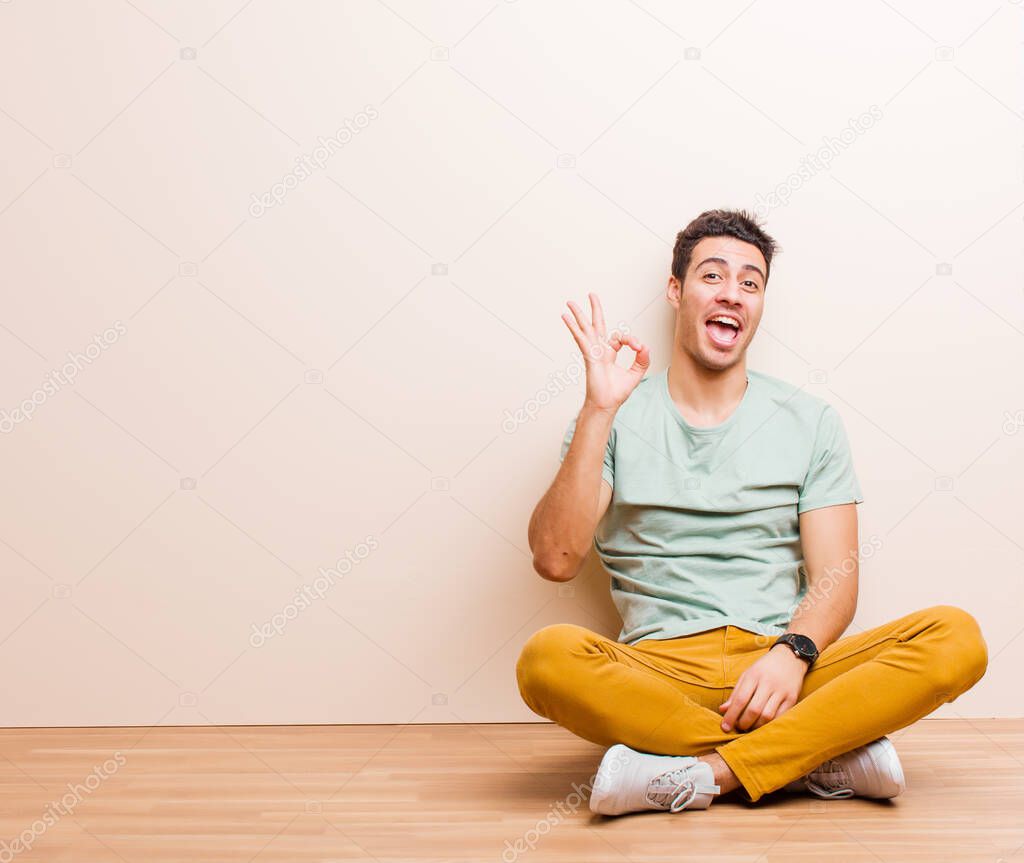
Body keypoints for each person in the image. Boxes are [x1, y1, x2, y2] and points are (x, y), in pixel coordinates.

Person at [516, 209, 989, 815]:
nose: (732, 295)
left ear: (761, 304)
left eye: (750, 282)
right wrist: (598, 410)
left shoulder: (811, 421)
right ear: (676, 290)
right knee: (546, 660)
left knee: (956, 638)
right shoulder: (614, 415)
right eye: (712, 276)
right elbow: (555, 558)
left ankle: (703, 774)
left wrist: (792, 655)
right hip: (660, 669)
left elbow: (836, 584)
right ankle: (815, 757)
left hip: (781, 666)